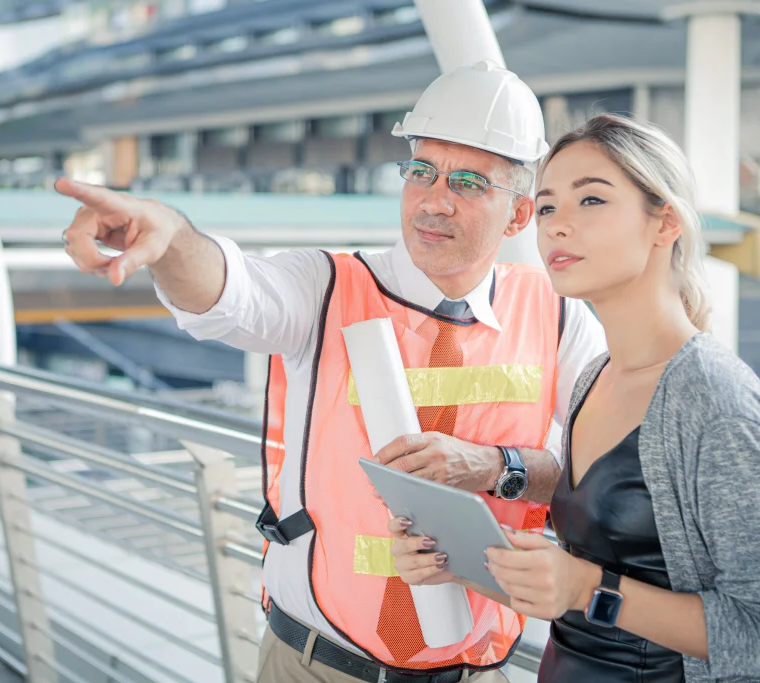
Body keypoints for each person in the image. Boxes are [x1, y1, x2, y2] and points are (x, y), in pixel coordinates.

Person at [56, 60, 607, 683]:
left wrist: (495, 467)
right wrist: (173, 240)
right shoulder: (326, 287)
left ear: (518, 215)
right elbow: (230, 293)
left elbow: (606, 474)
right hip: (315, 666)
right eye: (421, 171)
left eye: (468, 183)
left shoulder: (558, 316)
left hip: (474, 671)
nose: (434, 200)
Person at [389, 113, 760, 683]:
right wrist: (457, 565)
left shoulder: (712, 398)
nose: (557, 227)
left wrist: (589, 589)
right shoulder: (594, 378)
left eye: (591, 200)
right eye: (547, 208)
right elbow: (587, 588)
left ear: (664, 222)